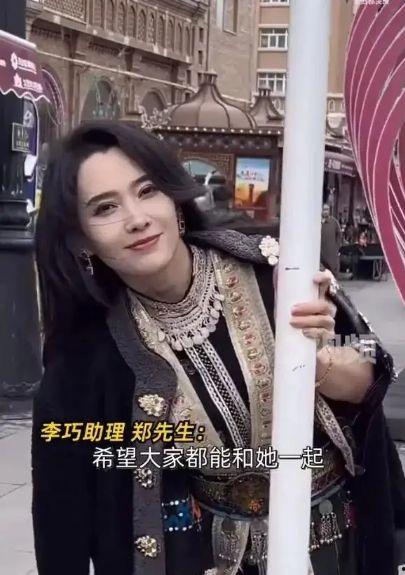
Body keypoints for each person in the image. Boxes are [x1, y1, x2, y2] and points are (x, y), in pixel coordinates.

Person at [32, 121, 405, 575]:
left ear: (175, 199)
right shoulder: (86, 352)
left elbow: (372, 371)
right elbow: (61, 509)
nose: (137, 218)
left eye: (147, 191)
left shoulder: (277, 267)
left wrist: (319, 361)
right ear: (81, 240)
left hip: (335, 541)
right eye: (105, 207)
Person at [321, 204, 342, 277]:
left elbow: (339, 235)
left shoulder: (334, 222)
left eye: (327, 209)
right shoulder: (318, 222)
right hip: (321, 252)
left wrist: (336, 247)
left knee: (332, 271)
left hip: (331, 252)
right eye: (324, 209)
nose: (325, 211)